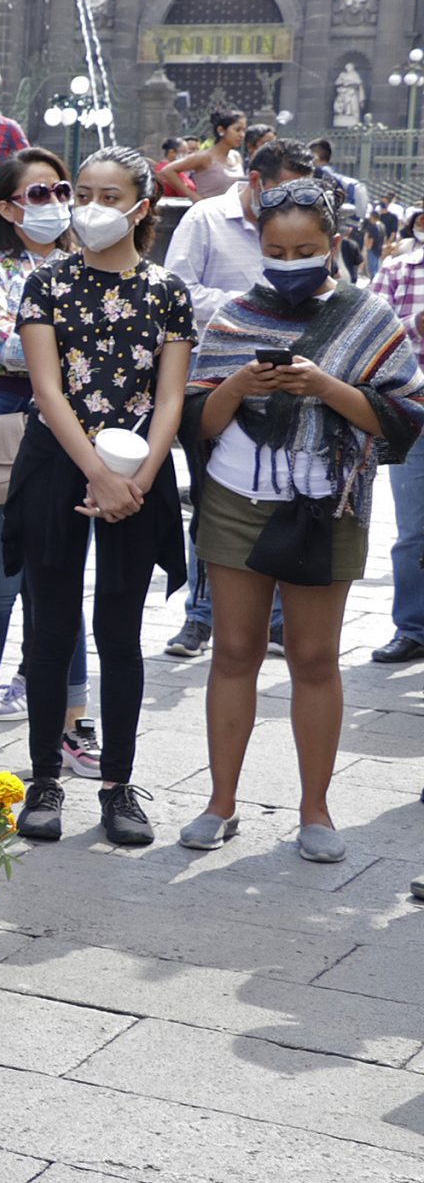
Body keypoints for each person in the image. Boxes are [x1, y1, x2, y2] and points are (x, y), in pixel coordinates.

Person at [181, 180, 423, 861]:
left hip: (329, 505)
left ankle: (315, 809)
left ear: (334, 245)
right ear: (260, 247)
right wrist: (238, 386)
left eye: (306, 249)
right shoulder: (231, 315)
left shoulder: (368, 316)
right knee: (233, 651)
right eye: (277, 249)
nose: (291, 259)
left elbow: (403, 417)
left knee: (315, 658)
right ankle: (219, 802)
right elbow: (197, 420)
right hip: (236, 497)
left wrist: (325, 386)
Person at [8, 145, 192, 845]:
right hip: (58, 460)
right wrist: (97, 472)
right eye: (82, 191)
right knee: (48, 627)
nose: (91, 206)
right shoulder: (47, 284)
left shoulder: (166, 290)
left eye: (110, 195)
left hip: (139, 467)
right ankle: (45, 776)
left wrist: (135, 481)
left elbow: (172, 395)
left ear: (142, 207)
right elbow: (48, 390)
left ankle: (118, 784)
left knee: (120, 631)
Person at [0, 149, 96, 775]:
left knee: (60, 584)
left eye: (62, 189)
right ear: (6, 206)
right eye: (38, 193)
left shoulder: (88, 264)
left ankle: (73, 723)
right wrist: (75, 350)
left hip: (75, 434)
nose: (55, 202)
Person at [162, 135, 308, 657]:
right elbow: (176, 290)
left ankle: (270, 616)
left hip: (285, 385)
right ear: (255, 181)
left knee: (278, 491)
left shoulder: (297, 226)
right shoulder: (205, 220)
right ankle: (199, 616)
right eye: (285, 193)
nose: (294, 207)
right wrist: (251, 307)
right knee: (210, 497)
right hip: (213, 382)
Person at [367, 216, 424, 664]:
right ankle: (413, 626)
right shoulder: (399, 270)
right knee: (413, 531)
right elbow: (370, 334)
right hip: (415, 413)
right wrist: (417, 322)